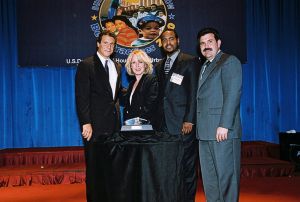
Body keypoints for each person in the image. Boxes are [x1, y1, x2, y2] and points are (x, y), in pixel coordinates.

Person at [196, 27, 242, 202]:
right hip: (205, 133)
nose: (206, 46)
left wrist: (224, 125)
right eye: (202, 43)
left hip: (222, 131)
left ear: (218, 43)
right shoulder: (204, 66)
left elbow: (232, 94)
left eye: (210, 41)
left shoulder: (229, 61)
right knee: (211, 181)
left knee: (226, 179)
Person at [75, 30, 121, 202]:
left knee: (112, 168)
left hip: (114, 126)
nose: (109, 46)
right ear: (98, 44)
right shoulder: (86, 64)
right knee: (95, 170)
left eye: (112, 44)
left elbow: (115, 94)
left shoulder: (117, 66)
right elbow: (81, 96)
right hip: (94, 127)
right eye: (105, 43)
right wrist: (85, 122)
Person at [154, 29, 198, 202]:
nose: (168, 42)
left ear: (178, 40)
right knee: (170, 167)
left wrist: (189, 120)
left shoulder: (190, 61)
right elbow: (160, 96)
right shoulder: (158, 66)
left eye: (171, 39)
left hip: (183, 124)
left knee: (187, 166)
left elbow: (194, 93)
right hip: (164, 125)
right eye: (164, 40)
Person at [122, 49, 158, 124]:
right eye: (134, 62)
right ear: (130, 66)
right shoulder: (132, 83)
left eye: (140, 62)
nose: (137, 65)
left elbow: (150, 106)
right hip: (131, 128)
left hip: (145, 128)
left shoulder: (151, 80)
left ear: (145, 64)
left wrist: (136, 122)